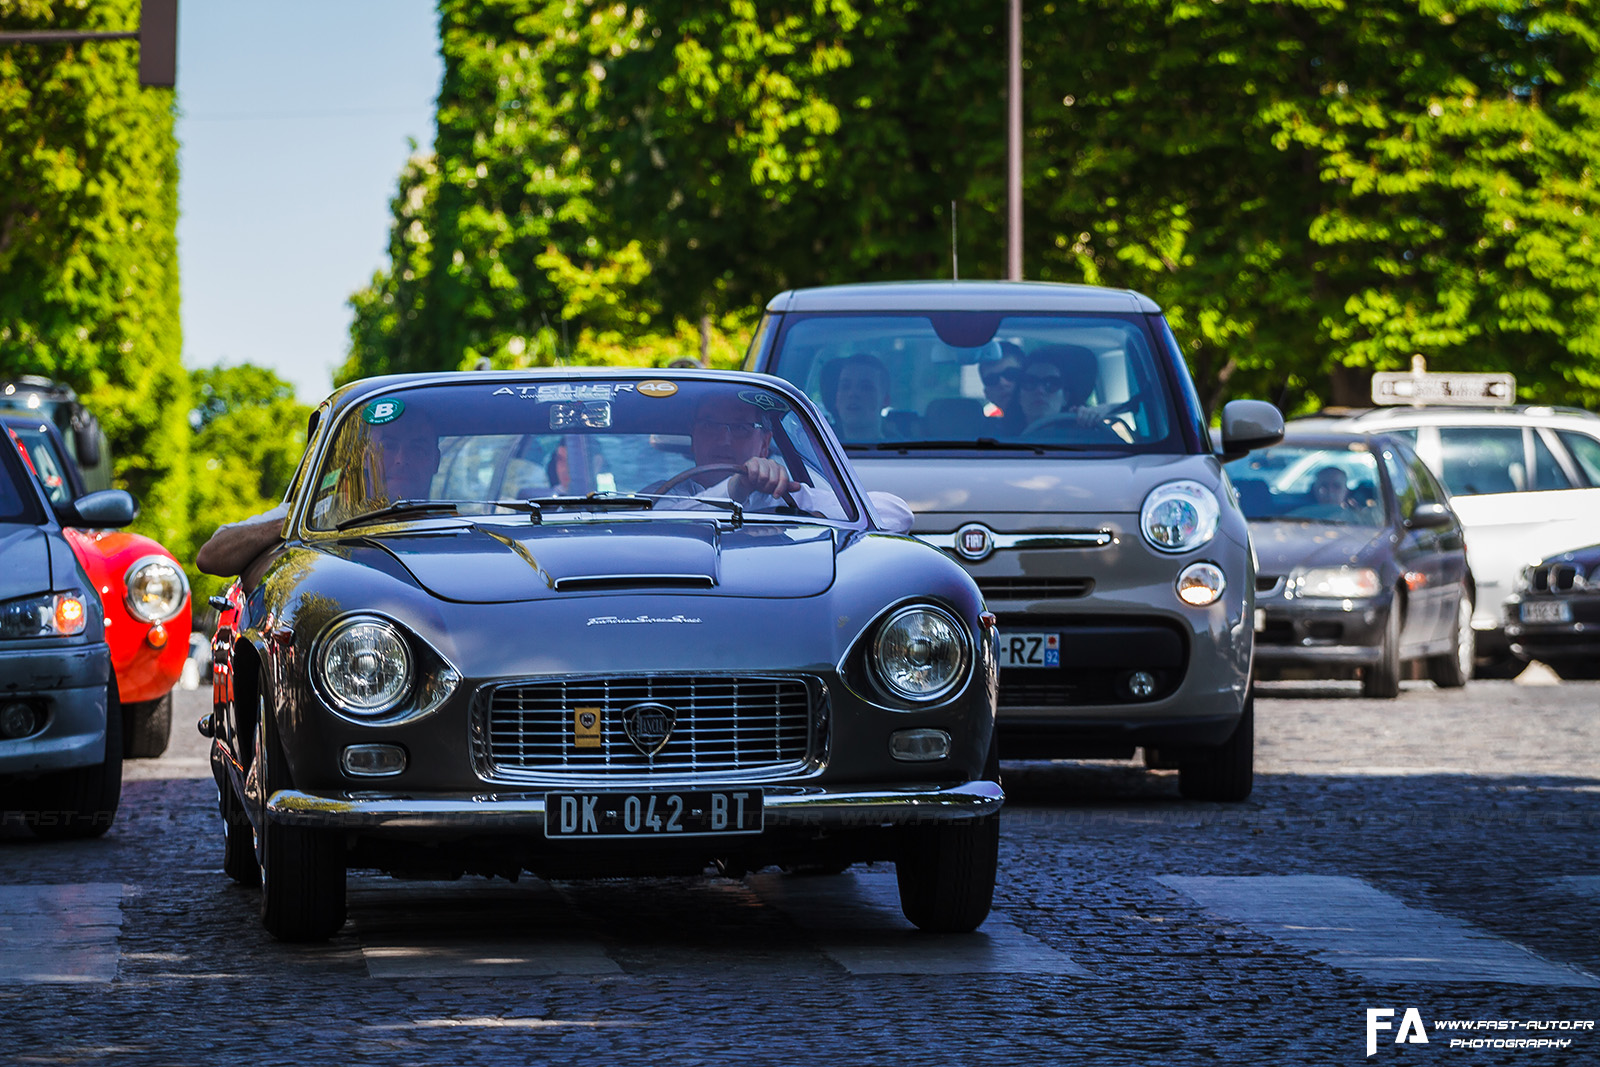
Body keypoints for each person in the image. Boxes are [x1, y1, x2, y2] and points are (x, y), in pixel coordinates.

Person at [196, 404, 441, 577]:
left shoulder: (458, 523)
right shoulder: (320, 514)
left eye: (417, 448)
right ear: (366, 457)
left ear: (436, 461)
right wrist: (299, 521)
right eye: (388, 446)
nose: (401, 459)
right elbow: (210, 557)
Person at [819, 352, 891, 441]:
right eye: (845, 386)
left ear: (885, 400)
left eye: (866, 387)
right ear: (836, 399)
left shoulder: (903, 447)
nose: (852, 394)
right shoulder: (814, 445)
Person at [980, 342, 1024, 429]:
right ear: (987, 394)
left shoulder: (1052, 429)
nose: (1002, 383)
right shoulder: (984, 433)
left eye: (1010, 374)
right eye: (992, 379)